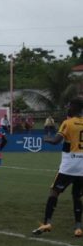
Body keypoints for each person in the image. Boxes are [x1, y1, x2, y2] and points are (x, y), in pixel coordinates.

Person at [33, 98, 83, 237]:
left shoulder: (67, 123)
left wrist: (47, 139)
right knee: (77, 196)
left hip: (70, 165)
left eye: (69, 105)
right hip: (82, 166)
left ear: (73, 107)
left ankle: (47, 222)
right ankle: (78, 227)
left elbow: (56, 141)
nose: (68, 107)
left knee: (54, 192)